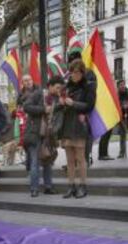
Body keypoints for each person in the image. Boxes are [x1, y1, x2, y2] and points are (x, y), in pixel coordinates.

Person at [55, 59, 95, 198]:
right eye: (72, 71)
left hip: (79, 126)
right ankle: (71, 186)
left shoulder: (89, 86)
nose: (74, 74)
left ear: (82, 72)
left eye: (77, 71)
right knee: (69, 160)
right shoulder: (67, 87)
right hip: (66, 126)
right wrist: (60, 103)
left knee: (80, 158)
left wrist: (73, 103)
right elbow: (59, 107)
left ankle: (83, 186)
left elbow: (89, 106)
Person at [19, 74, 54, 197]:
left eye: (29, 79)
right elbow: (26, 107)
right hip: (34, 132)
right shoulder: (37, 93)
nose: (27, 82)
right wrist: (43, 109)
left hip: (47, 133)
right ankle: (34, 188)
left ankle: (48, 187)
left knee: (47, 160)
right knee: (34, 162)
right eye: (25, 80)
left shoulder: (50, 95)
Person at [67, 50, 97, 165]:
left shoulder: (89, 74)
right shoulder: (72, 74)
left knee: (86, 133)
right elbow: (70, 87)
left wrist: (76, 103)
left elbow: (90, 96)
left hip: (85, 107)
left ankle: (86, 157)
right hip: (73, 110)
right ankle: (75, 160)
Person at [117, 79, 128, 158]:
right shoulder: (116, 95)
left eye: (123, 84)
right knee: (122, 135)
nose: (123, 86)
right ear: (118, 86)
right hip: (121, 117)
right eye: (121, 85)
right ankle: (122, 152)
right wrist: (121, 106)